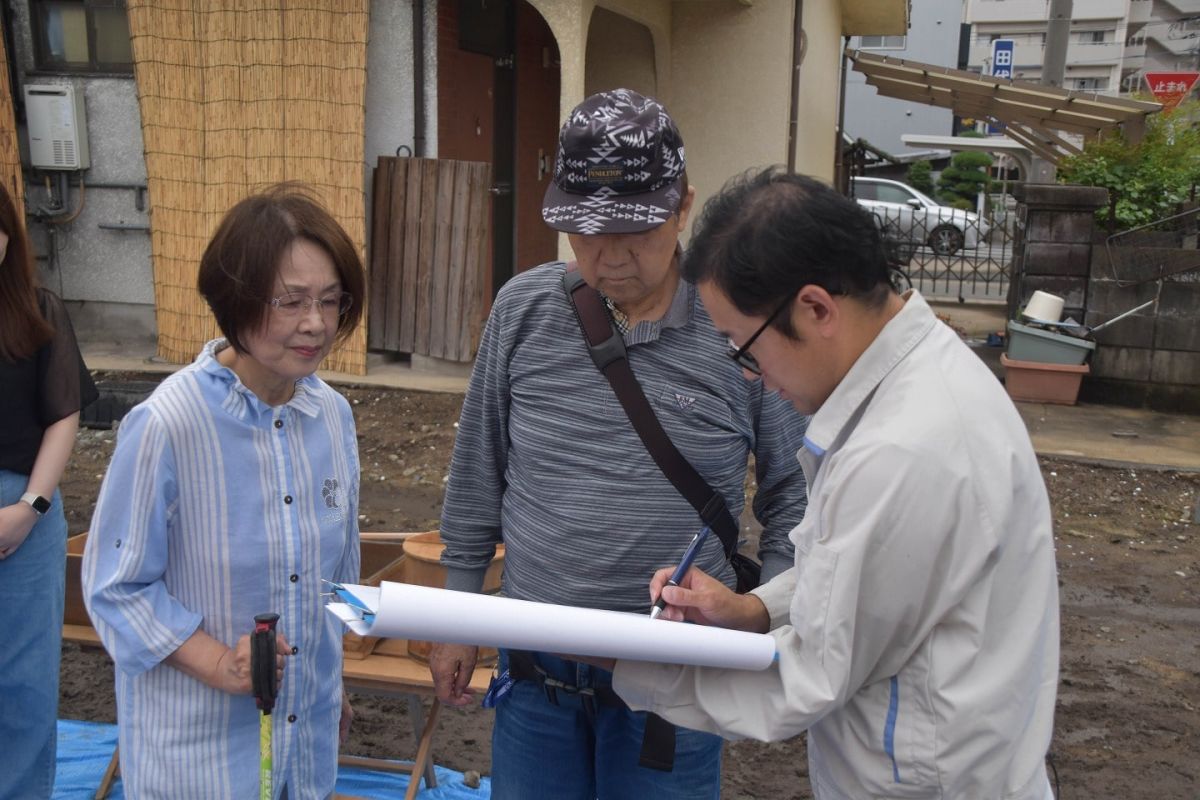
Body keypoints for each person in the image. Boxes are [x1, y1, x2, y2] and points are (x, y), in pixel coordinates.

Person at [601, 168, 1060, 799]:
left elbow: (807, 676)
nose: (750, 377)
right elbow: (856, 566)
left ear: (816, 308)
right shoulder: (921, 380)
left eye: (744, 347)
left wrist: (625, 661)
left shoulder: (903, 448)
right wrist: (755, 608)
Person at [430, 89, 810, 799]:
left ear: (683, 207)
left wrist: (766, 620)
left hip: (676, 686)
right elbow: (477, 471)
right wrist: (456, 613)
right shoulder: (525, 310)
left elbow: (797, 496)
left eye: (634, 230)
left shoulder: (739, 328)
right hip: (536, 677)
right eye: (584, 230)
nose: (608, 257)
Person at [83, 184, 365, 799]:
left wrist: (329, 685)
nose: (315, 324)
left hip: (302, 747)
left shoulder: (331, 416)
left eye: (329, 300)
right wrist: (218, 662)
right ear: (234, 300)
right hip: (201, 760)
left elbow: (339, 574)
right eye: (290, 303)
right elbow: (115, 587)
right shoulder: (168, 423)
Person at [0, 180, 98, 799]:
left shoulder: (37, 310)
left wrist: (29, 508)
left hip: (25, 514)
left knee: (23, 678)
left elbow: (64, 415)